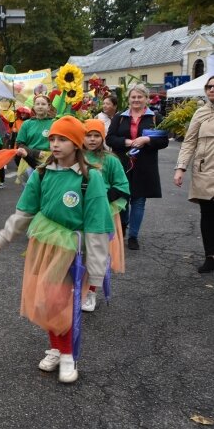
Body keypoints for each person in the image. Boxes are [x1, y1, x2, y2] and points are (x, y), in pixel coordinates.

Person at [0, 116, 112, 383]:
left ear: (76, 143)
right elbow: (24, 212)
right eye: (53, 139)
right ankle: (57, 348)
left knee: (60, 301)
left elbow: (96, 227)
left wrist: (95, 272)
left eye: (63, 139)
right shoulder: (43, 173)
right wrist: (3, 237)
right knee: (47, 301)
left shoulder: (89, 178)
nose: (55, 144)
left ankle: (68, 354)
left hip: (72, 249)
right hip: (43, 246)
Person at [106, 83, 169, 251]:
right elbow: (109, 139)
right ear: (128, 99)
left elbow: (164, 140)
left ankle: (133, 236)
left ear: (146, 99)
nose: (136, 100)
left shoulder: (155, 118)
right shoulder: (120, 117)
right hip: (122, 164)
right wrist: (128, 142)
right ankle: (124, 223)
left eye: (140, 97)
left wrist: (146, 140)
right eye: (133, 97)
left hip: (145, 165)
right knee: (123, 198)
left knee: (139, 200)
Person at [82, 119, 130, 311]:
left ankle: (91, 292)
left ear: (103, 138)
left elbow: (121, 186)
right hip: (78, 211)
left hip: (101, 212)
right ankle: (76, 289)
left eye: (96, 136)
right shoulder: (75, 156)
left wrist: (100, 198)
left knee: (95, 254)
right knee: (76, 253)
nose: (92, 139)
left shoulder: (110, 160)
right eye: (88, 135)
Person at [174, 76, 214, 273]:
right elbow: (189, 142)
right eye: (209, 86)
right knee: (208, 215)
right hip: (205, 172)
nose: (212, 89)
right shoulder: (200, 113)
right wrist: (180, 168)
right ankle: (210, 256)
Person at [15, 94, 54, 184]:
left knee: (47, 190)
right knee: (30, 192)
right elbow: (19, 144)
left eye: (43, 104)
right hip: (28, 160)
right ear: (33, 107)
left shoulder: (54, 123)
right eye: (37, 104)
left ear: (49, 107)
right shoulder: (27, 124)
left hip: (49, 161)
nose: (40, 106)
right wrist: (35, 153)